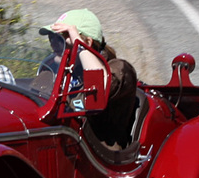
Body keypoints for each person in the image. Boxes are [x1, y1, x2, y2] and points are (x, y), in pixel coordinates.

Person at [45, 9, 139, 149]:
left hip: (99, 154)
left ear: (87, 42)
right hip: (66, 144)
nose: (53, 43)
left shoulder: (119, 69)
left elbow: (99, 86)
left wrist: (80, 46)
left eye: (62, 37)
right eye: (52, 37)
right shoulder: (63, 67)